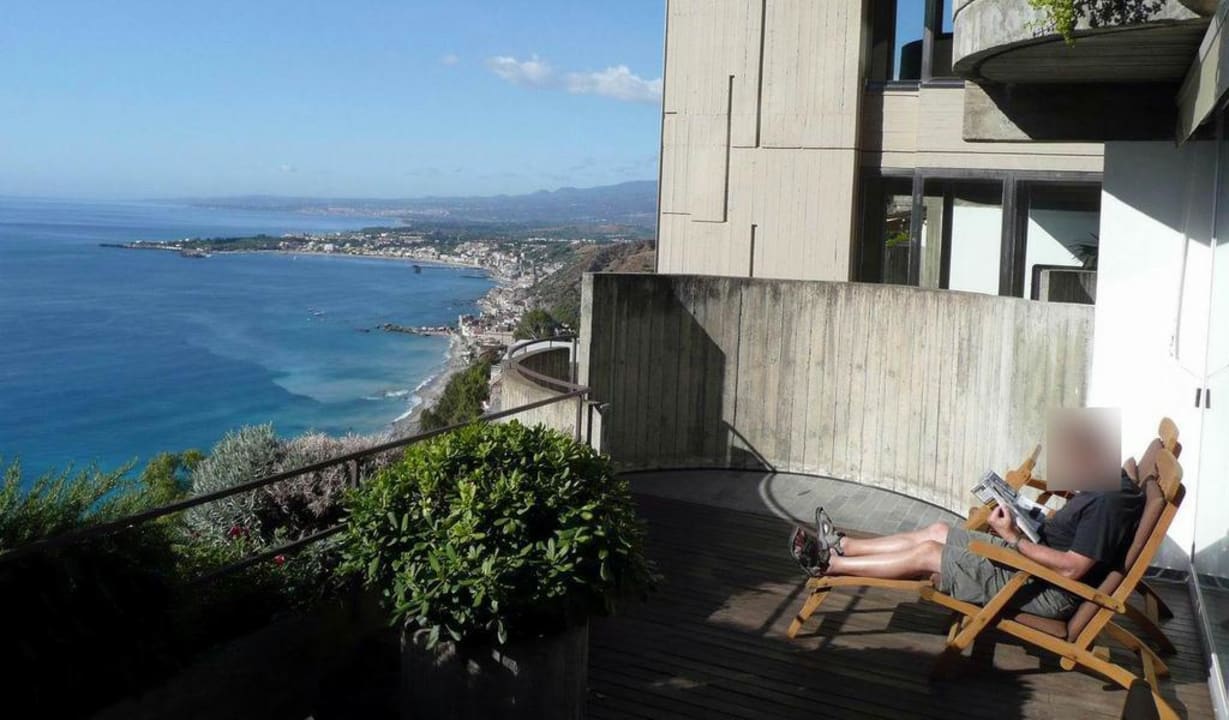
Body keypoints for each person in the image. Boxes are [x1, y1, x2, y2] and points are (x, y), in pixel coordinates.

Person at [790, 470, 1144, 618]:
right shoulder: (1111, 486)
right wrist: (1023, 516)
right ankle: (846, 545)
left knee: (928, 554)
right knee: (938, 530)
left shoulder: (1107, 504)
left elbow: (1072, 569)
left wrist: (1013, 537)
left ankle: (831, 564)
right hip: (1030, 562)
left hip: (1042, 585)